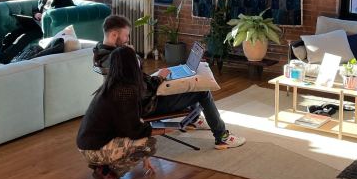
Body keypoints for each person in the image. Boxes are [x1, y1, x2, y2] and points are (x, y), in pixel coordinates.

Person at [94, 14, 245, 150]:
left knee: (187, 80)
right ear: (114, 34)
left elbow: (136, 82)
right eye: (126, 35)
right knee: (202, 90)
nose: (127, 40)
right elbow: (142, 90)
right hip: (147, 105)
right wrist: (158, 78)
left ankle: (194, 119)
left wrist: (156, 75)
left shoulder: (102, 53)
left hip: (140, 100)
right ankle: (222, 137)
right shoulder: (120, 59)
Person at [76, 46, 162, 179]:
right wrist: (159, 129)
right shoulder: (125, 91)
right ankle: (107, 172)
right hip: (94, 149)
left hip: (87, 145)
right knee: (148, 144)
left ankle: (102, 166)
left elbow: (126, 124)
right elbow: (132, 131)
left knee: (142, 137)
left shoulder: (112, 86)